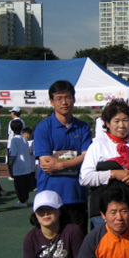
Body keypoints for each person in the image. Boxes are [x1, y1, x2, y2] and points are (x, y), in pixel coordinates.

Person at [80, 98, 129, 229]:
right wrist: (113, 174)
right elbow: (85, 178)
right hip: (104, 214)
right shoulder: (98, 146)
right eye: (116, 121)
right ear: (107, 123)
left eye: (125, 120)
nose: (122, 125)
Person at [35, 80, 92, 233]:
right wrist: (76, 160)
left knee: (78, 243)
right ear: (52, 102)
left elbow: (87, 157)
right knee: (52, 244)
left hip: (76, 195)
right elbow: (46, 162)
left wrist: (59, 164)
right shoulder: (43, 128)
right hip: (50, 196)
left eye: (67, 97)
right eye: (59, 98)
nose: (64, 102)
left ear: (74, 99)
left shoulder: (83, 127)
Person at [8, 119, 33, 208]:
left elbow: (13, 154)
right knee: (25, 185)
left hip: (18, 166)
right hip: (26, 166)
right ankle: (25, 200)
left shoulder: (14, 140)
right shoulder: (24, 139)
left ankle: (22, 201)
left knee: (19, 185)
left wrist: (10, 165)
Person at [22, 127, 37, 191]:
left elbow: (34, 151)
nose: (26, 136)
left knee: (32, 174)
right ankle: (27, 186)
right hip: (25, 162)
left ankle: (33, 186)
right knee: (26, 175)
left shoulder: (32, 142)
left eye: (28, 134)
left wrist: (32, 153)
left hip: (32, 161)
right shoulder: (22, 142)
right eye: (25, 134)